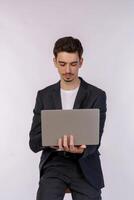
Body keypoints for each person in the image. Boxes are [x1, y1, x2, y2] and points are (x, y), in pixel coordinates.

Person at [29, 36, 107, 200]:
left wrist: (82, 149)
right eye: (62, 64)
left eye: (73, 64)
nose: (68, 70)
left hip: (84, 164)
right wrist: (50, 140)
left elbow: (95, 139)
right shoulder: (44, 96)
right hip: (54, 163)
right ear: (55, 62)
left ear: (81, 62)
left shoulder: (97, 95)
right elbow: (34, 142)